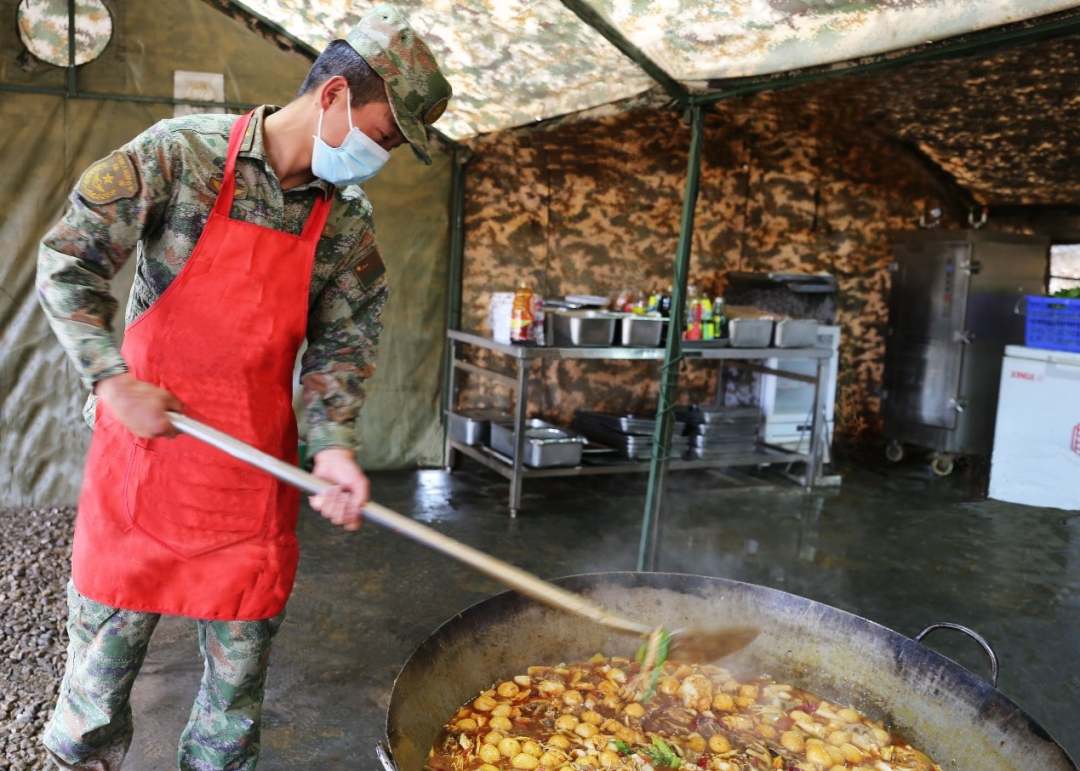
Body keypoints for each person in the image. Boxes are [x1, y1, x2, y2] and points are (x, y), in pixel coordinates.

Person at [34, 5, 451, 769]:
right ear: (331, 96)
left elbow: (343, 344)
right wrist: (111, 376)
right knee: (97, 682)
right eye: (382, 135)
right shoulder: (178, 155)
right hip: (146, 462)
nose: (379, 157)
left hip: (250, 478)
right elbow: (70, 260)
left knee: (233, 702)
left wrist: (332, 446)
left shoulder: (344, 228)